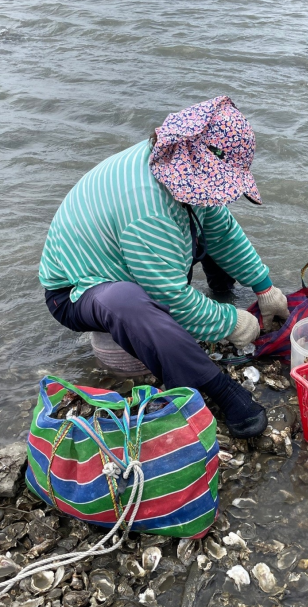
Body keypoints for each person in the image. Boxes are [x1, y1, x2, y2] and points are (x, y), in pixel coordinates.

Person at [38, 96, 289, 438]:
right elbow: (171, 297)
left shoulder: (176, 164)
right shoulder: (149, 211)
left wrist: (264, 288)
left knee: (206, 230)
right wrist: (232, 322)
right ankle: (218, 390)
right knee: (128, 302)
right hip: (75, 291)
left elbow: (222, 231)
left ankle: (219, 296)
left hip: (128, 259)